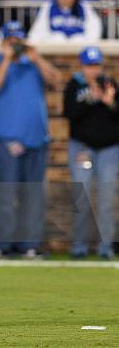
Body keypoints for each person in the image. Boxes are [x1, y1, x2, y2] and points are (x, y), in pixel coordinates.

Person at [0, 21, 62, 260]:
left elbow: (56, 81)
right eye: (11, 41)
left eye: (18, 40)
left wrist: (36, 58)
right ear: (3, 42)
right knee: (5, 195)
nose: (15, 45)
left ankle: (29, 246)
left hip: (36, 140)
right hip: (6, 141)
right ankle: (2, 246)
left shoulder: (33, 63)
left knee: (34, 196)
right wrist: (6, 59)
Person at [64, 46, 118, 260]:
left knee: (106, 199)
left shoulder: (110, 83)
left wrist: (109, 101)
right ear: (82, 66)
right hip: (82, 149)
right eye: (89, 66)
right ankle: (79, 246)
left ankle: (105, 247)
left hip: (109, 150)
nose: (93, 70)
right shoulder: (74, 85)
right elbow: (69, 113)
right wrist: (89, 99)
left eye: (96, 65)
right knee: (82, 197)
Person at [28, 0, 102, 43]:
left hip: (79, 47)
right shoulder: (48, 6)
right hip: (55, 48)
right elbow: (38, 29)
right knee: (57, 37)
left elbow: (94, 29)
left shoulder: (84, 6)